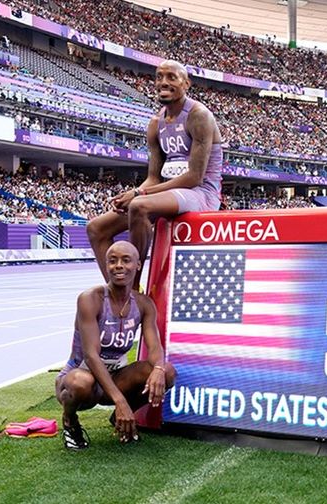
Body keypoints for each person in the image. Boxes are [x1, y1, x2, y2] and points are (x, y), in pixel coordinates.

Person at [86, 60, 223, 287]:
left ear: (186, 83)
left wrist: (140, 193)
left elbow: (194, 177)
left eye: (171, 77)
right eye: (159, 77)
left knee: (139, 206)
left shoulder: (199, 115)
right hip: (168, 192)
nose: (163, 82)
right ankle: (120, 289)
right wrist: (133, 192)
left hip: (200, 193)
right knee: (96, 228)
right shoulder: (155, 124)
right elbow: (154, 176)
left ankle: (133, 286)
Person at [55, 241, 176, 450]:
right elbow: (91, 355)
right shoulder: (90, 299)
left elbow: (155, 346)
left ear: (138, 265)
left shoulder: (143, 303)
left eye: (126, 260)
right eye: (113, 261)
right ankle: (69, 421)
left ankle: (118, 419)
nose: (118, 265)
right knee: (79, 382)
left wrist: (158, 368)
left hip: (114, 377)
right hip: (80, 379)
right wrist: (121, 401)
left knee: (167, 372)